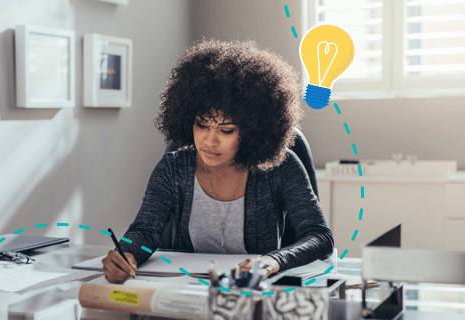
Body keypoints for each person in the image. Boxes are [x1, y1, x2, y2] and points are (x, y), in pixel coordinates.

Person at [101, 38, 334, 284]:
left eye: (226, 130)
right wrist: (126, 252)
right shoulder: (173, 168)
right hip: (186, 291)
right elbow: (144, 231)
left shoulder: (282, 167)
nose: (209, 142)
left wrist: (273, 260)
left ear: (252, 130)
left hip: (253, 294)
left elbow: (320, 237)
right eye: (201, 125)